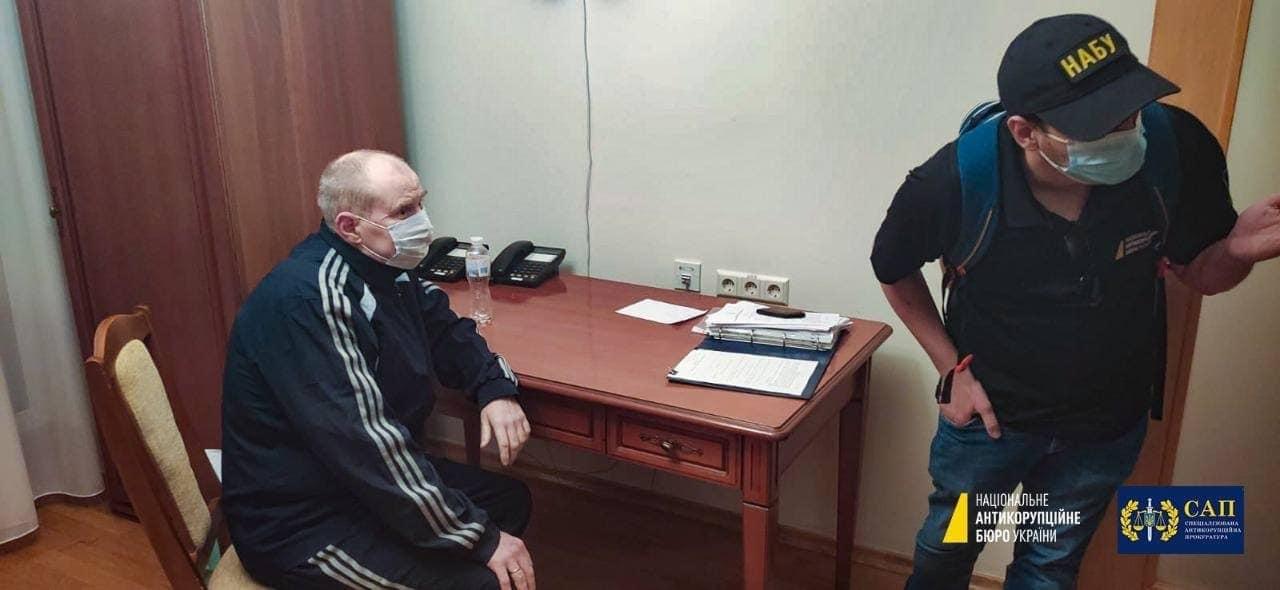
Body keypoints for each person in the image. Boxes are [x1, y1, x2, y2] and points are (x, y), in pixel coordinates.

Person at [871, 14, 1280, 589]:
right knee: (948, 551)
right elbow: (891, 268)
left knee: (1049, 565)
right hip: (991, 423)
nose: (1125, 131)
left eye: (1130, 110)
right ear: (1025, 132)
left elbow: (1202, 274)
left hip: (1101, 429)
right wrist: (949, 369)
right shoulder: (954, 182)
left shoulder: (1174, 148)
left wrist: (1235, 250)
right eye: (1097, 125)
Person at [222, 149, 538, 589]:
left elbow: (447, 331)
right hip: (303, 524)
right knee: (480, 580)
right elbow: (366, 444)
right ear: (349, 226)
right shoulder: (311, 300)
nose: (422, 222)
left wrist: (494, 388)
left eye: (421, 203)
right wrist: (481, 540)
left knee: (508, 501)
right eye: (404, 211)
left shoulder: (388, 269)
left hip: (357, 488)